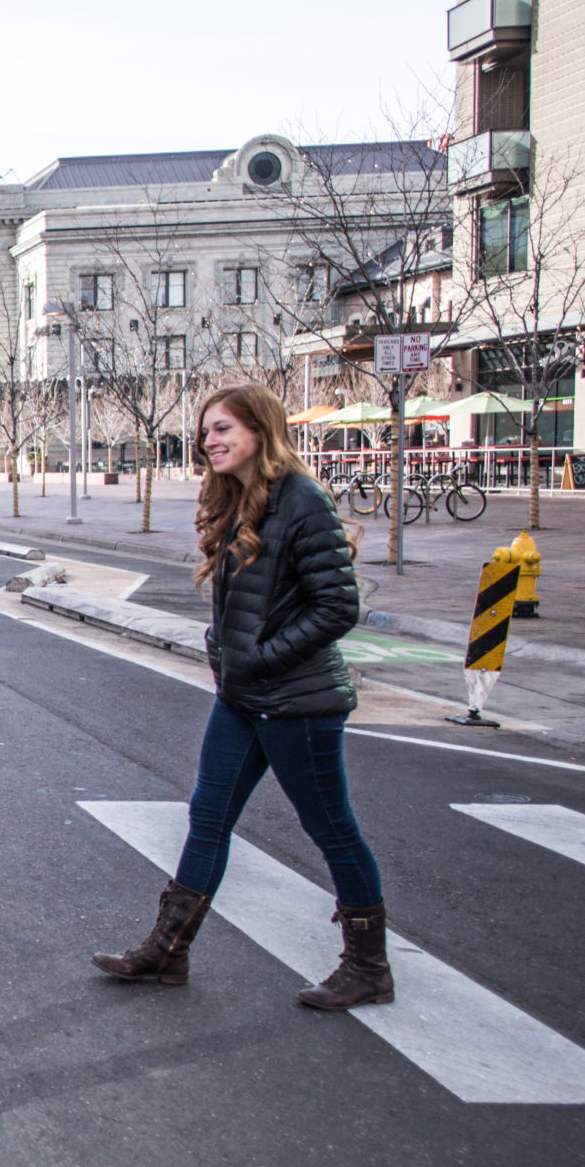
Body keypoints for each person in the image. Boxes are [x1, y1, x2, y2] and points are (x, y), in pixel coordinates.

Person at [91, 384, 391, 1009]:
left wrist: (262, 659)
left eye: (223, 428)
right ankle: (167, 950)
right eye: (206, 432)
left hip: (297, 703)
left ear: (261, 429)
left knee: (331, 827)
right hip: (243, 698)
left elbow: (339, 606)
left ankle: (369, 968)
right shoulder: (240, 500)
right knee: (208, 816)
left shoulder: (303, 501)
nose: (210, 441)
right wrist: (227, 653)